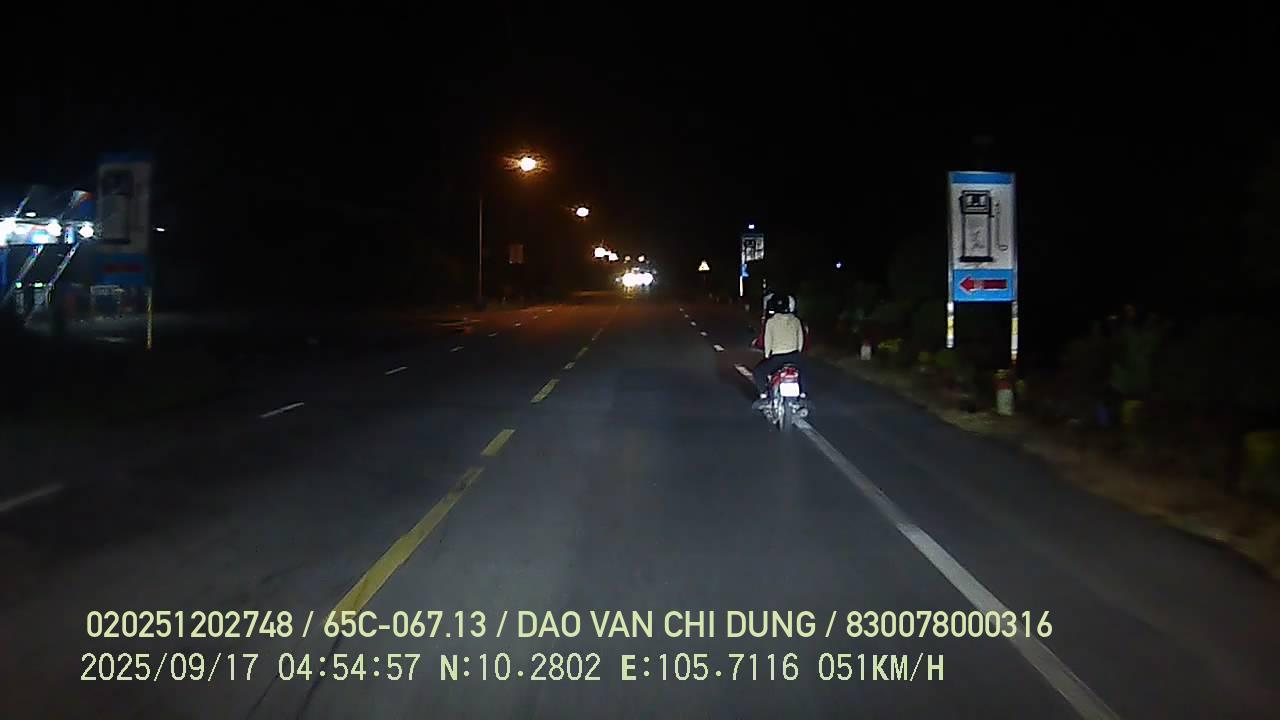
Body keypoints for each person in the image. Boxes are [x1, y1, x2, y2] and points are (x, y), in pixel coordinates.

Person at [752, 292, 806, 410]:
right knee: (803, 371)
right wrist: (798, 352)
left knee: (758, 372)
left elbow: (768, 341)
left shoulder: (771, 321)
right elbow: (800, 340)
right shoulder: (796, 320)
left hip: (777, 358)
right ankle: (802, 394)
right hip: (794, 356)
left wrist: (767, 356)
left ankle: (764, 396)